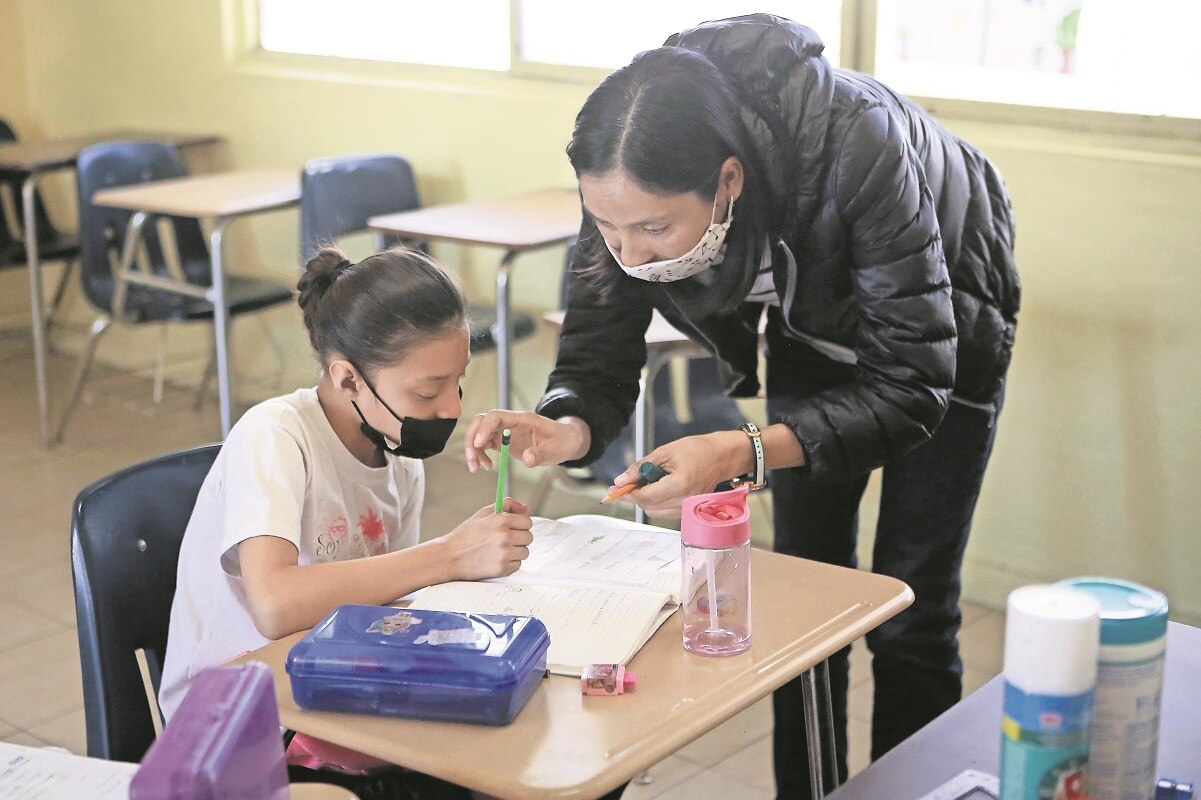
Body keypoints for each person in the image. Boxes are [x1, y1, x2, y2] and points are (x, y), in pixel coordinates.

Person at [465, 13, 1019, 798]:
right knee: (808, 598)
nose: (629, 252)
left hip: (945, 326)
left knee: (912, 604)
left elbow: (910, 388)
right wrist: (566, 424)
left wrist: (738, 450)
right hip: (812, 332)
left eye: (654, 229)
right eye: (604, 226)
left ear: (729, 179)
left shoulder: (857, 144)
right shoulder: (628, 171)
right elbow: (598, 341)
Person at [160, 245, 534, 800]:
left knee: (520, 738)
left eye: (458, 381)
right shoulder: (276, 436)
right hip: (241, 718)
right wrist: (450, 555)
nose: (453, 408)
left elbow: (386, 601)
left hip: (337, 684)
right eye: (429, 391)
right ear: (349, 380)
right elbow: (275, 604)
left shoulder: (397, 453)